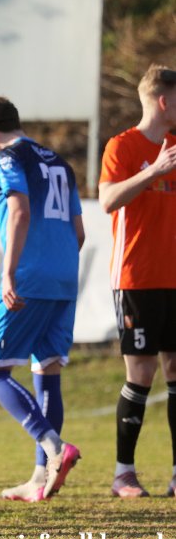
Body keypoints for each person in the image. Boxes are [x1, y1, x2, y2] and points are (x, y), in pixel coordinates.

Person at [0, 96, 83, 501]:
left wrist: (10, 272)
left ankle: (54, 449)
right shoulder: (60, 163)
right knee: (47, 371)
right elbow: (79, 232)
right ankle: (39, 478)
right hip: (65, 276)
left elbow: (18, 211)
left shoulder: (9, 159)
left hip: (29, 276)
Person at [98, 64, 176, 498]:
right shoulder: (123, 145)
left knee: (175, 369)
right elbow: (108, 199)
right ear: (164, 100)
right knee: (142, 372)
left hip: (175, 275)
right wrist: (153, 171)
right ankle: (123, 473)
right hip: (137, 276)